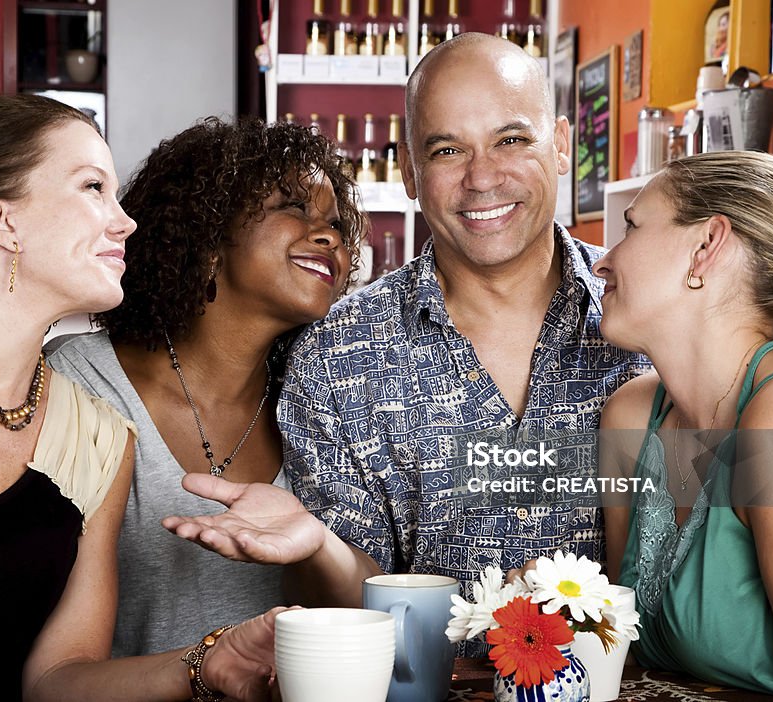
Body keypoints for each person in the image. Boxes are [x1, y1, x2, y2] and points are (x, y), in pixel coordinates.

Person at [163, 33, 647, 650]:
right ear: (410, 174)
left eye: (512, 139)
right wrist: (318, 547)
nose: (483, 178)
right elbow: (361, 604)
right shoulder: (340, 354)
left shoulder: (656, 319)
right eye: (448, 151)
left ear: (560, 145)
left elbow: (763, 513)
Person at [0, 94, 286, 701]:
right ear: (3, 221)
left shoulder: (99, 438)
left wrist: (205, 663)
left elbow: (56, 681)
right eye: (92, 187)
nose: (125, 221)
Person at [45, 116, 362, 656]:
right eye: (294, 207)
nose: (330, 236)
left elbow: (364, 621)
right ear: (208, 236)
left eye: (336, 222)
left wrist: (316, 549)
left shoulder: (327, 402)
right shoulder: (77, 382)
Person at [596, 151, 773, 700]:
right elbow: (624, 657)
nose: (603, 260)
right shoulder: (630, 415)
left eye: (631, 226)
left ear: (706, 245)